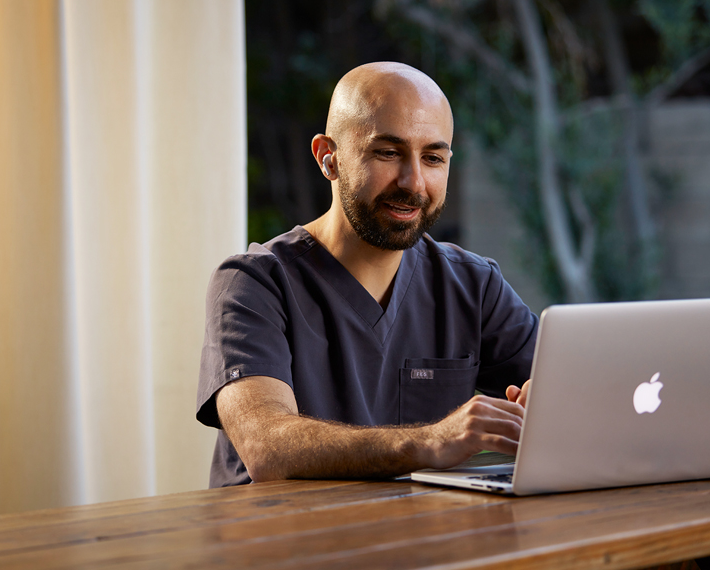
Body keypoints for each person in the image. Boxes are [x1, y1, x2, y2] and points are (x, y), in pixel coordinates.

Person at [196, 62, 536, 488]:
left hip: (420, 543)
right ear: (328, 157)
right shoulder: (253, 285)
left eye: (433, 158)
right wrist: (431, 441)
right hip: (282, 546)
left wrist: (551, 408)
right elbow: (267, 448)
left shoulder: (474, 285)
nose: (414, 182)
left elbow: (570, 392)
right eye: (388, 153)